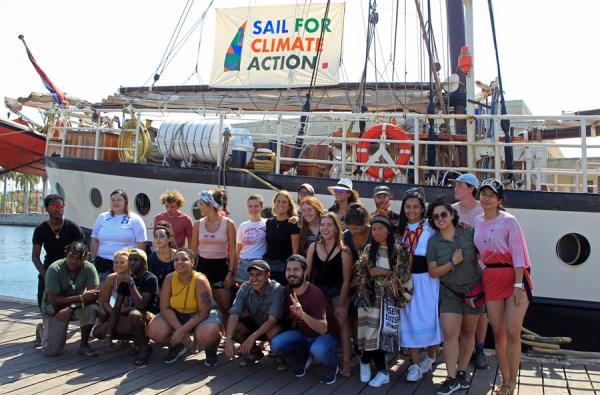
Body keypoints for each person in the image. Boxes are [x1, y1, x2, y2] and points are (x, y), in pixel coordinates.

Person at [473, 179, 533, 395]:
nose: (486, 198)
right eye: (483, 194)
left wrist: (518, 285)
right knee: (498, 333)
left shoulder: (509, 221)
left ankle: (512, 382)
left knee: (513, 331)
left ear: (499, 199)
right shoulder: (477, 222)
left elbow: (519, 253)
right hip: (491, 277)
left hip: (513, 277)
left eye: (491, 194)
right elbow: (478, 253)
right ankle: (504, 378)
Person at [426, 201, 483, 394]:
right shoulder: (433, 242)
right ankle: (451, 377)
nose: (440, 219)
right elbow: (433, 272)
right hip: (450, 292)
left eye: (444, 214)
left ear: (452, 214)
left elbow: (485, 252)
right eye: (436, 217)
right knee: (450, 335)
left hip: (473, 291)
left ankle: (462, 373)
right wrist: (452, 262)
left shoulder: (469, 232)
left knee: (468, 333)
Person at [353, 216, 413, 387]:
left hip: (389, 299)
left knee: (382, 335)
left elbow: (404, 276)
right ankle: (367, 362)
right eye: (374, 229)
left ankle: (381, 371)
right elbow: (362, 273)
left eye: (381, 228)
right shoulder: (367, 249)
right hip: (371, 298)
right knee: (370, 333)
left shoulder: (398, 250)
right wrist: (369, 274)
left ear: (388, 230)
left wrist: (383, 272)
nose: (377, 232)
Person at [270, 255, 340, 385]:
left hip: (325, 336)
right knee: (276, 344)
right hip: (303, 334)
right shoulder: (287, 290)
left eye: (296, 270)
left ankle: (333, 365)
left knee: (318, 350)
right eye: (288, 270)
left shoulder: (315, 294)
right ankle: (303, 358)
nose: (292, 274)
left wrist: (302, 314)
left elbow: (323, 328)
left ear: (305, 272)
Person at [146, 248, 222, 366]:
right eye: (176, 260)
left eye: (184, 259)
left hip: (201, 315)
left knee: (209, 333)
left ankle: (210, 350)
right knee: (153, 331)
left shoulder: (200, 280)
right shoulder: (169, 278)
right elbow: (164, 307)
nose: (179, 262)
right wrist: (181, 331)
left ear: (192, 262)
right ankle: (177, 345)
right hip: (178, 314)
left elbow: (204, 312)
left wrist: (182, 330)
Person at [398, 189, 442, 382]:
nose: (411, 210)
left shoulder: (430, 228)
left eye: (415, 206)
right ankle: (415, 365)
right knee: (409, 321)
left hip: (428, 281)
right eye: (408, 206)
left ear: (422, 208)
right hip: (406, 281)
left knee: (429, 320)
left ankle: (431, 357)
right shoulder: (400, 229)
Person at [32, 194, 84, 345]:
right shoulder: (41, 229)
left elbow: (82, 252)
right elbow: (35, 257)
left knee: (68, 303)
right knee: (45, 302)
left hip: (69, 269)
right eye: (54, 207)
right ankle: (42, 327)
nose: (58, 210)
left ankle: (56, 328)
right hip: (48, 268)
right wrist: (45, 275)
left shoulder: (72, 228)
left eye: (60, 207)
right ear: (47, 208)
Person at [306, 212, 353, 377]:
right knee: (317, 322)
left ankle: (346, 363)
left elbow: (347, 280)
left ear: (336, 229)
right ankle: (318, 354)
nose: (325, 228)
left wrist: (340, 303)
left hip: (337, 291)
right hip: (318, 292)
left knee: (342, 322)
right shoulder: (313, 247)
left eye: (329, 225)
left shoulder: (344, 251)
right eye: (323, 225)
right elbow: (307, 274)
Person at [450, 173, 489, 370]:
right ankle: (462, 349)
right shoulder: (451, 210)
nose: (455, 188)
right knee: (458, 309)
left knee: (480, 311)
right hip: (456, 269)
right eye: (455, 185)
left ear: (470, 188)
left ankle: (480, 348)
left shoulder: (483, 210)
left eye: (459, 185)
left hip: (478, 268)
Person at [94, 248, 159, 365]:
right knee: (98, 332)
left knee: (134, 314)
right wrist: (108, 336)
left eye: (136, 260)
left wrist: (131, 283)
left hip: (148, 317)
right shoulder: (126, 279)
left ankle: (144, 347)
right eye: (130, 260)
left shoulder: (150, 278)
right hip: (129, 316)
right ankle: (137, 341)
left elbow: (141, 304)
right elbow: (117, 307)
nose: (132, 263)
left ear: (143, 262)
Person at [40, 242, 100, 357]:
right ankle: (41, 331)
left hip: (75, 306)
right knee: (51, 351)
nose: (73, 261)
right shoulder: (54, 269)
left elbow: (93, 296)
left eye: (78, 259)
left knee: (92, 308)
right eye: (71, 257)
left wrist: (72, 307)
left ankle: (84, 344)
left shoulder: (89, 268)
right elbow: (53, 300)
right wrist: (81, 297)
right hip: (55, 308)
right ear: (66, 254)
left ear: (85, 258)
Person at [225, 260, 284, 366]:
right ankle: (254, 352)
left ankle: (279, 355)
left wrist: (252, 337)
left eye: (258, 275)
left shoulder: (277, 289)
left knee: (273, 331)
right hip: (255, 324)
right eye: (251, 275)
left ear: (268, 275)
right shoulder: (245, 287)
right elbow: (234, 314)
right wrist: (228, 339)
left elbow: (272, 321)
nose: (254, 279)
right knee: (234, 330)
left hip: (273, 327)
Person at [191, 190, 236, 323]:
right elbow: (193, 251)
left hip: (221, 266)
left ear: (210, 205)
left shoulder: (228, 223)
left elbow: (232, 251)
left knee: (225, 306)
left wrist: (231, 272)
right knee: (201, 305)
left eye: (201, 204)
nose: (199, 207)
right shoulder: (198, 224)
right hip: (202, 266)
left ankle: (227, 336)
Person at [90, 189, 147, 282]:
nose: (115, 202)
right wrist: (93, 259)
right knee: (101, 292)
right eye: (113, 200)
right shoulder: (102, 217)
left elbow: (141, 243)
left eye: (119, 200)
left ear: (126, 201)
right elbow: (94, 239)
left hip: (125, 264)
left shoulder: (135, 219)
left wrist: (137, 264)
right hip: (103, 262)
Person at [263, 190, 300, 285]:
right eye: (278, 201)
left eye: (284, 202)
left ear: (289, 206)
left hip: (282, 268)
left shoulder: (292, 224)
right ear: (274, 204)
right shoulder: (269, 222)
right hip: (267, 266)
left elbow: (295, 251)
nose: (281, 204)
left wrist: (291, 270)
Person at [96, 249, 130, 347]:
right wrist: (113, 314)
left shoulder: (133, 277)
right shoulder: (111, 278)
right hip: (115, 310)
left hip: (129, 310)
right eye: (116, 262)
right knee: (98, 330)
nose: (118, 265)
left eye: (122, 262)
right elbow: (105, 301)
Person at [235, 195, 267, 284]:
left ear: (261, 207)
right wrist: (234, 267)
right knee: (243, 291)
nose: (253, 209)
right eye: (250, 206)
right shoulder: (242, 226)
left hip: (259, 263)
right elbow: (238, 247)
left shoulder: (267, 223)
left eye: (256, 206)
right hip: (243, 263)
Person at [148, 221, 177, 289]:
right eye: (156, 237)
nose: (158, 239)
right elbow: (153, 281)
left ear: (169, 238)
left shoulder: (177, 255)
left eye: (161, 236)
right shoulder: (152, 257)